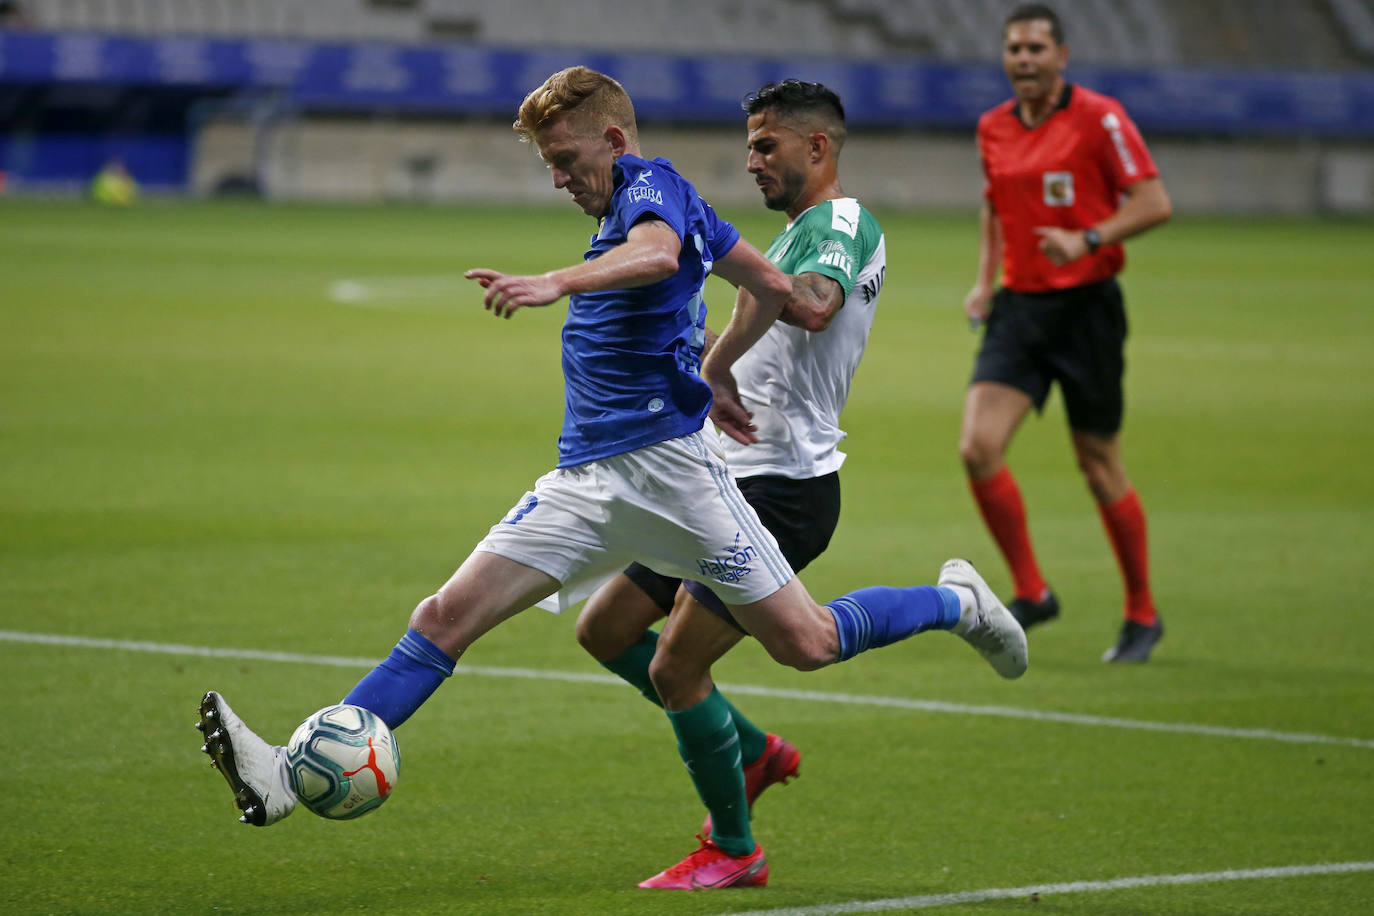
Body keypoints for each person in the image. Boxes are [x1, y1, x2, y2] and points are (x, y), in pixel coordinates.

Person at [196, 67, 1027, 878]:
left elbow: (665, 256)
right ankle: (279, 776)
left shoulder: (653, 193)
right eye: (550, 166)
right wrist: (718, 363)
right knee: (449, 614)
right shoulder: (684, 209)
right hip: (588, 481)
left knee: (802, 643)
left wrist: (558, 281)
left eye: (567, 162)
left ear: (616, 141)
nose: (560, 180)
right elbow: (762, 280)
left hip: (681, 477)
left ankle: (953, 603)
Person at [574, 79, 887, 889]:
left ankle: (736, 850)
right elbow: (767, 325)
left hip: (785, 485)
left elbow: (811, 307)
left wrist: (717, 284)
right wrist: (692, 342)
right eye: (750, 144)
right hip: (717, 478)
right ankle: (750, 749)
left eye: (764, 144)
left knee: (683, 667)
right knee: (605, 631)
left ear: (817, 148)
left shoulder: (842, 224)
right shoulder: (788, 240)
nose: (751, 160)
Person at [959, 4, 1172, 663]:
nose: (1023, 59)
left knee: (1097, 463)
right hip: (1019, 309)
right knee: (978, 447)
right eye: (1014, 49)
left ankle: (1142, 612)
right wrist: (984, 279)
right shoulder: (992, 127)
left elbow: (1153, 202)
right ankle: (1033, 590)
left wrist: (1087, 237)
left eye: (1035, 49)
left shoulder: (1100, 118)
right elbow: (996, 204)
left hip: (1087, 310)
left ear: (1062, 56)